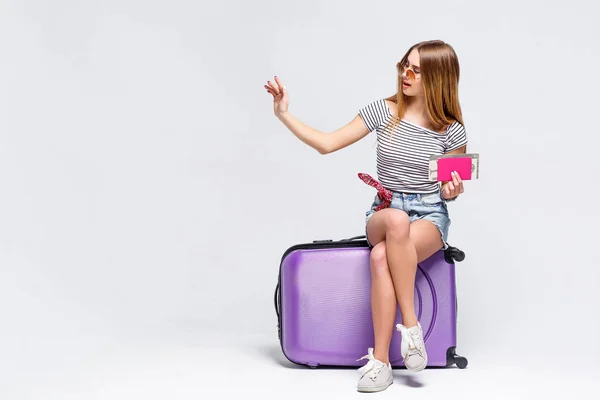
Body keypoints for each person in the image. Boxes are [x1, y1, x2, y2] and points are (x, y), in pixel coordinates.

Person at [264, 40, 468, 393]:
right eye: (405, 64)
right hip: (385, 212)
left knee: (379, 256)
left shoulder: (451, 129)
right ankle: (412, 327)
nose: (406, 73)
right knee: (396, 222)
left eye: (417, 70)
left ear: (438, 77)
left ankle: (381, 363)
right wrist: (283, 113)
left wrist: (452, 190)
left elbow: (451, 187)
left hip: (429, 215)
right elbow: (327, 144)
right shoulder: (383, 111)